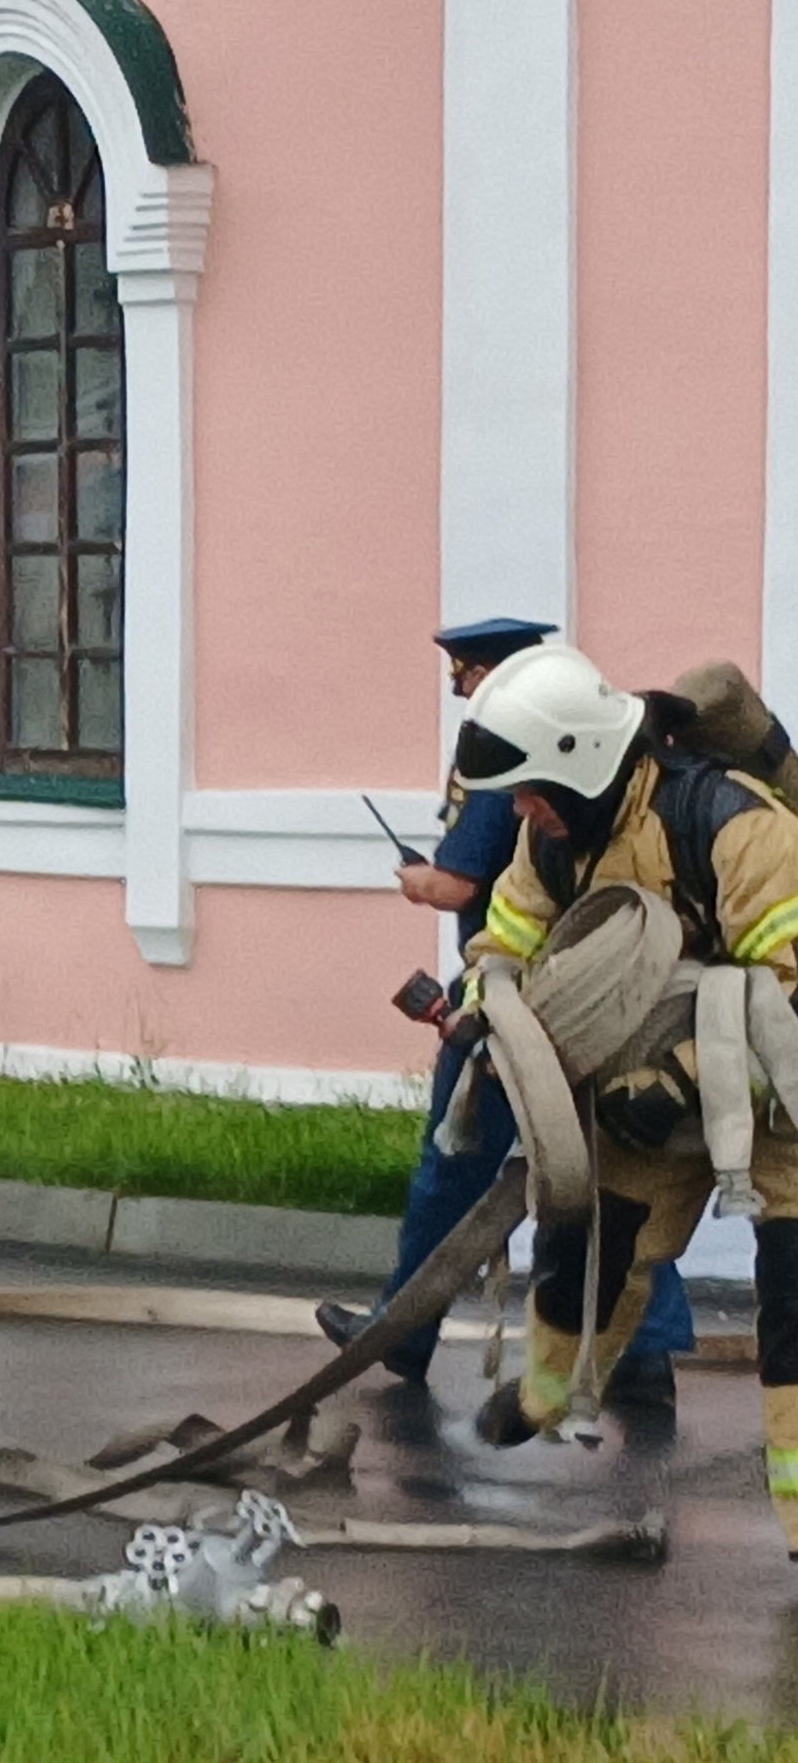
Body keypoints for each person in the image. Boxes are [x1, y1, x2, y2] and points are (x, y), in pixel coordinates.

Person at [452, 644, 798, 1550]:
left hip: (780, 1097)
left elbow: (791, 988)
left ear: (581, 760)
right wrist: (490, 1017)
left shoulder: (733, 825)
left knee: (795, 1303)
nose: (521, 811)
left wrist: (683, 1075)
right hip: (652, 1085)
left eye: (531, 790)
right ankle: (546, 1394)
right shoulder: (557, 836)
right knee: (585, 1241)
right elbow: (505, 940)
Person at [317, 620, 692, 1400]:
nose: (463, 692)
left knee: (453, 1176)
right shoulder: (578, 772)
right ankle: (645, 1355)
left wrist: (424, 888)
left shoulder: (512, 758)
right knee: (612, 1181)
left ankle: (401, 1331)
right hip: (564, 1000)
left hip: (528, 1011)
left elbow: (460, 887)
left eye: (466, 677)